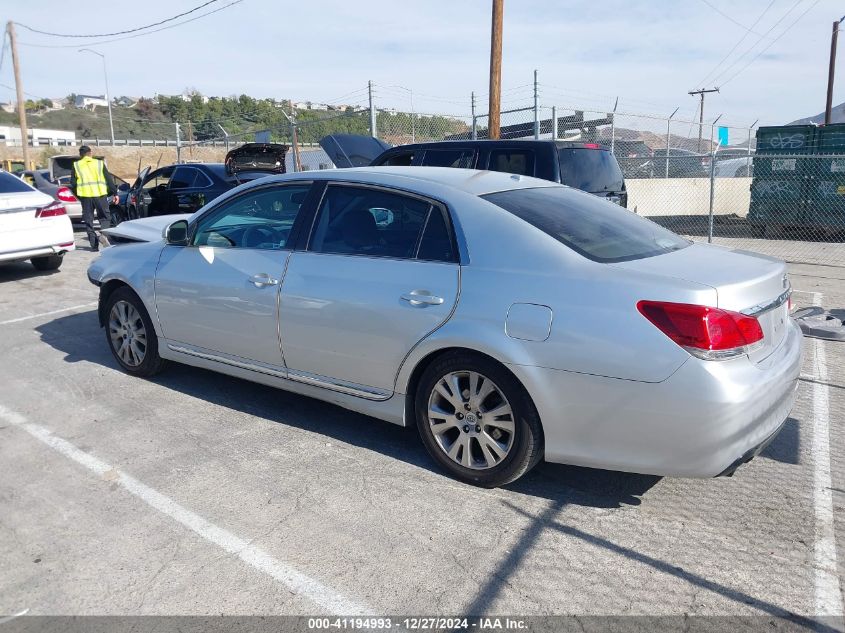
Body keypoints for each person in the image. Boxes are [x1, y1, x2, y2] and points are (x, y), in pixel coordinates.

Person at [70, 146, 118, 251]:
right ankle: (103, 234)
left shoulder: (76, 165)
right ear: (90, 153)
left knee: (89, 220)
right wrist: (115, 193)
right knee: (105, 217)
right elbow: (108, 179)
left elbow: (73, 184)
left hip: (85, 197)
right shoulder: (99, 163)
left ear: (80, 155)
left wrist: (79, 196)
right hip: (100, 195)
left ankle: (94, 245)